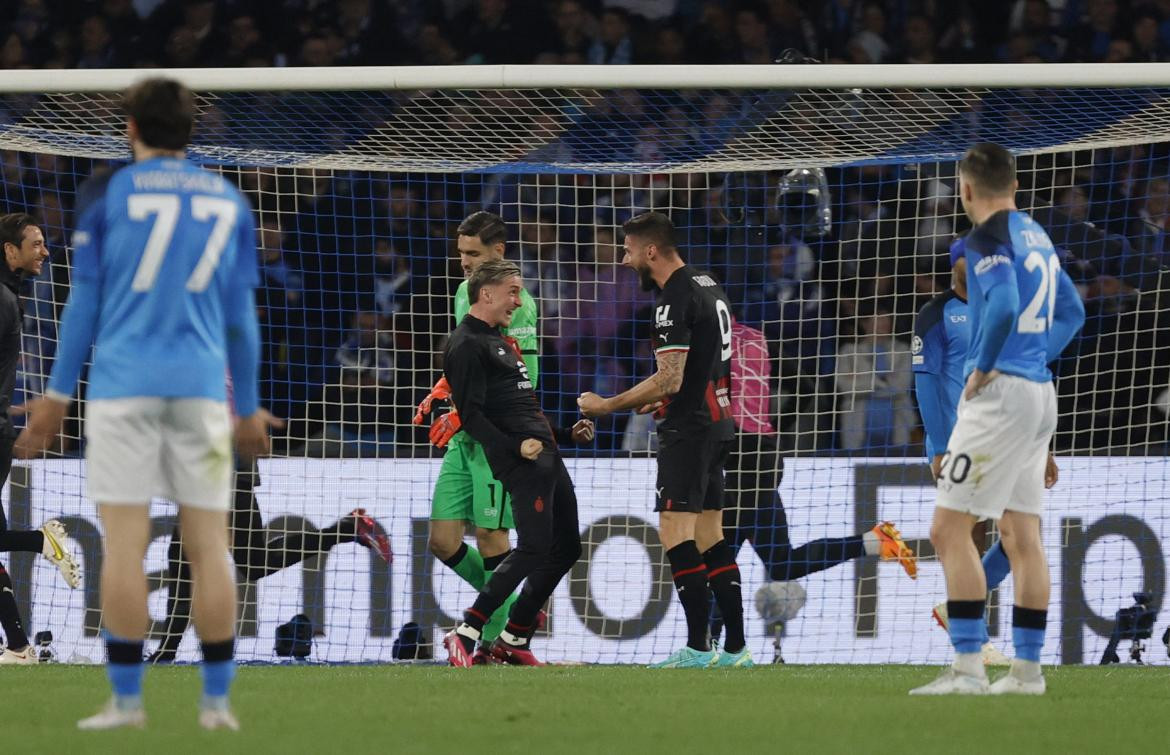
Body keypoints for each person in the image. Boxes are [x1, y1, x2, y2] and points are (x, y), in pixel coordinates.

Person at [15, 78, 272, 730]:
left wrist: (54, 394)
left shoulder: (108, 198)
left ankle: (127, 701)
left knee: (125, 547)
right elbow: (243, 316)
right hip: (201, 389)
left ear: (128, 125)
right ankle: (216, 701)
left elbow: (83, 305)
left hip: (123, 389)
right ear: (193, 129)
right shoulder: (228, 202)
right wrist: (249, 407)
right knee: (210, 545)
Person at [909, 143, 1085, 696]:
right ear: (1014, 183)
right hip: (1039, 392)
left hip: (1003, 394)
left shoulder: (987, 237)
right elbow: (1073, 312)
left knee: (947, 528)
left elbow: (1005, 304)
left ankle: (967, 670)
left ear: (965, 188)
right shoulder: (1036, 233)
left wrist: (987, 365)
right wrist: (1032, 357)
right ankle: (1027, 673)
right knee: (1022, 534)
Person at [577, 211, 748, 668]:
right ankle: (735, 650)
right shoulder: (707, 283)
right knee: (712, 536)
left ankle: (697, 648)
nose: (624, 258)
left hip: (689, 430)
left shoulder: (672, 298)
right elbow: (704, 362)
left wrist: (608, 404)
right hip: (718, 421)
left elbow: (669, 378)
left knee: (676, 533)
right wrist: (667, 396)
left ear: (650, 250)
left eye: (629, 250)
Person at [710, 316, 916, 647]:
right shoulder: (754, 336)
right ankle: (874, 540)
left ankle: (709, 643)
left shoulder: (707, 343)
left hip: (741, 458)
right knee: (780, 563)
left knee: (718, 561)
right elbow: (799, 384)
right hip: (760, 453)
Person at [440, 259, 593, 667]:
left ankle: (513, 637)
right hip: (521, 458)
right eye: (512, 291)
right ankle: (467, 631)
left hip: (545, 451)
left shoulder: (500, 341)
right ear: (485, 293)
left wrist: (562, 434)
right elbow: (470, 416)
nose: (519, 299)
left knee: (567, 548)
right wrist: (514, 449)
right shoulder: (465, 343)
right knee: (533, 547)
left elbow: (521, 408)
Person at [414, 211, 541, 659]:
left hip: (497, 437)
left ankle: (505, 634)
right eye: (461, 253)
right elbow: (467, 357)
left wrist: (470, 413)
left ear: (498, 252)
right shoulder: (462, 294)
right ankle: (511, 611)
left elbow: (526, 373)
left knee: (492, 537)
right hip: (463, 436)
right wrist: (443, 391)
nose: (464, 261)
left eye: (473, 253)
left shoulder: (518, 301)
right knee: (443, 541)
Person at [148, 461, 390, 663]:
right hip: (230, 476)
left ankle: (167, 652)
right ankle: (346, 529)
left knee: (184, 563)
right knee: (253, 562)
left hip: (211, 475)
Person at [914, 237, 1027, 667]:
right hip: (957, 442)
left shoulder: (999, 312)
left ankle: (959, 610)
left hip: (1001, 438)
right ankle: (973, 637)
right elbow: (925, 383)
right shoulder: (935, 315)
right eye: (968, 256)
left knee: (1020, 536)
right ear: (955, 264)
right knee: (971, 536)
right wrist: (940, 448)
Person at [0, 213, 81, 665]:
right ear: (10, 251)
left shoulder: (3, 299)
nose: (44, 251)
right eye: (36, 243)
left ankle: (38, 541)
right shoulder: (9, 297)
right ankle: (18, 646)